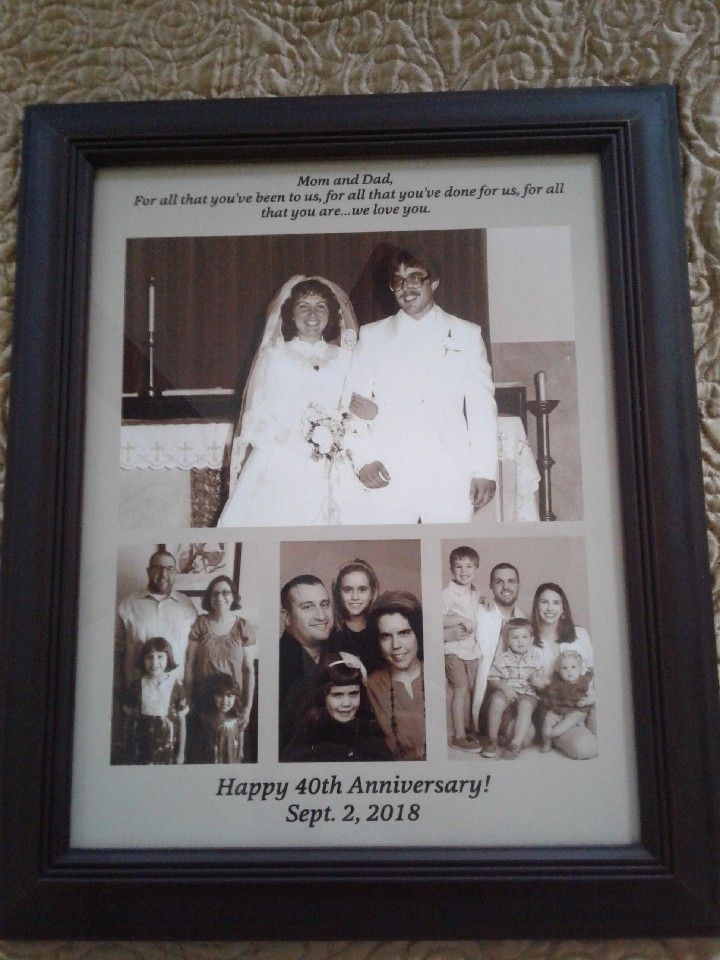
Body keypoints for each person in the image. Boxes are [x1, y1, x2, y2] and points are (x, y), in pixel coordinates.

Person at [342, 246, 497, 523]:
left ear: (434, 282)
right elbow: (351, 404)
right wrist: (363, 459)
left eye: (415, 278)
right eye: (398, 281)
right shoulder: (373, 335)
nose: (406, 288)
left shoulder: (467, 334)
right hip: (387, 468)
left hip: (450, 469)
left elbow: (481, 407)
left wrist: (485, 469)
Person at [218, 275, 359, 526]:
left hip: (332, 462)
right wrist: (291, 443)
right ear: (291, 314)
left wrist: (334, 438)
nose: (312, 314)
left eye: (320, 306)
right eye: (304, 306)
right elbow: (255, 415)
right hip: (281, 461)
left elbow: (351, 411)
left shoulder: (345, 358)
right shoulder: (274, 357)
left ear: (331, 313)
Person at [113, 549, 196, 763]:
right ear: (149, 571)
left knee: (169, 756)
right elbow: (118, 649)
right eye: (158, 567)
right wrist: (120, 684)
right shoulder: (127, 604)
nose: (163, 573)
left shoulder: (187, 607)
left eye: (169, 568)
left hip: (174, 695)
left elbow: (193, 651)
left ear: (175, 572)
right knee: (136, 754)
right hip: (137, 693)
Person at [184, 574, 255, 749]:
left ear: (233, 596)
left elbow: (249, 670)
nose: (220, 597)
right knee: (203, 752)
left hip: (232, 703)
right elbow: (189, 665)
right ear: (209, 598)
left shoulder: (243, 626)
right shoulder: (200, 624)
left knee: (229, 752)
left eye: (225, 592)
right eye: (214, 593)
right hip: (203, 702)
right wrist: (188, 698)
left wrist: (247, 707)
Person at [281, 654, 393, 762]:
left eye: (353, 693)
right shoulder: (309, 733)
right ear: (322, 696)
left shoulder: (368, 728)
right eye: (337, 695)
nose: (347, 703)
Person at [531, 582, 597, 760]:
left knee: (611, 730)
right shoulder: (527, 642)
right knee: (586, 748)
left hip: (585, 702)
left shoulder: (580, 634)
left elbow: (593, 670)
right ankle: (573, 733)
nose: (550, 608)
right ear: (537, 607)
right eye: (544, 602)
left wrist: (593, 696)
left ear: (563, 609)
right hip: (555, 709)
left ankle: (583, 725)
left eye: (556, 603)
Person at [366, 591, 426, 760]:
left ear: (418, 633)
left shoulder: (440, 674)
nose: (396, 645)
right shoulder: (371, 685)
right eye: (386, 637)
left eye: (404, 633)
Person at [469, 562, 526, 733]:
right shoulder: (478, 611)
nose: (506, 586)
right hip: (483, 688)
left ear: (518, 586)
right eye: (499, 581)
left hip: (513, 691)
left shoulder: (524, 621)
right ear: (491, 586)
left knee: (527, 735)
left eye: (511, 581)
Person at [278, 574, 333, 752]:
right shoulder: (276, 665)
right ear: (286, 617)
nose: (322, 616)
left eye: (324, 605)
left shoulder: (340, 655)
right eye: (308, 607)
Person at [482, 618, 544, 760]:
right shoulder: (502, 659)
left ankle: (515, 744)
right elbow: (493, 679)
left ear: (531, 640)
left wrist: (538, 682)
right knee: (497, 701)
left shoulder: (535, 658)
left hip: (527, 693)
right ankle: (492, 740)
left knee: (526, 705)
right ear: (508, 641)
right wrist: (505, 688)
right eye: (515, 637)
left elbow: (541, 681)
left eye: (524, 637)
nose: (520, 641)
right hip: (506, 690)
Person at [122, 637, 188, 765]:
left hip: (168, 752)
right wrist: (126, 749)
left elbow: (182, 723)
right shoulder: (136, 686)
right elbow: (128, 721)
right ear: (143, 659)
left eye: (160, 657)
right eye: (149, 657)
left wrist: (180, 753)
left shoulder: (177, 686)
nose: (154, 661)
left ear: (168, 658)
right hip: (141, 751)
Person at [442, 546, 482, 752]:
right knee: (461, 688)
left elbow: (478, 612)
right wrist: (458, 618)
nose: (463, 571)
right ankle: (458, 736)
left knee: (475, 689)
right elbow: (437, 618)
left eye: (469, 566)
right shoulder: (448, 593)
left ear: (476, 568)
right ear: (451, 569)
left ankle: (470, 729)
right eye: (458, 566)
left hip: (472, 650)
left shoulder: (475, 592)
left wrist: (484, 601)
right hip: (453, 650)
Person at [540, 650, 597, 757]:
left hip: (577, 710)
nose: (569, 671)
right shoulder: (557, 682)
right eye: (564, 668)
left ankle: (553, 734)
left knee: (558, 729)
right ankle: (546, 742)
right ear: (559, 670)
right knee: (548, 720)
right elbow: (548, 689)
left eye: (573, 667)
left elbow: (593, 696)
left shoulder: (584, 682)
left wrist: (588, 700)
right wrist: (542, 683)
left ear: (580, 669)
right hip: (559, 709)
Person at [330, 558, 383, 673]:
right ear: (339, 593)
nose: (355, 597)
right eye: (348, 590)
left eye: (362, 589)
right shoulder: (329, 633)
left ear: (372, 593)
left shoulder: (382, 630)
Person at [195, 673, 247, 764]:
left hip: (232, 752)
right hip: (214, 754)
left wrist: (241, 750)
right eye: (220, 695)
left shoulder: (237, 716)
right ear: (212, 695)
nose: (224, 700)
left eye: (229, 696)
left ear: (236, 697)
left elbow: (240, 731)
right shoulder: (208, 716)